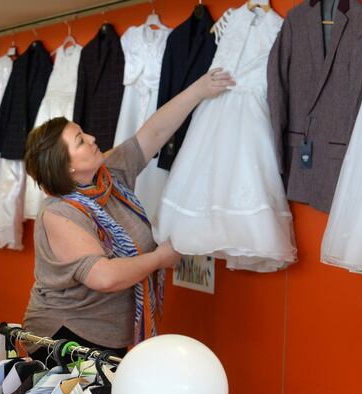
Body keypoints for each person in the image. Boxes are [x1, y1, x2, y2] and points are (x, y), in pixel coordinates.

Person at [23, 68, 235, 360]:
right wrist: (161, 257)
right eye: (80, 140)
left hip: (105, 335)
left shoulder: (109, 175)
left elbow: (154, 133)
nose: (92, 137)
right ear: (66, 166)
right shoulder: (59, 213)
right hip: (66, 337)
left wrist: (199, 90)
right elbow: (104, 277)